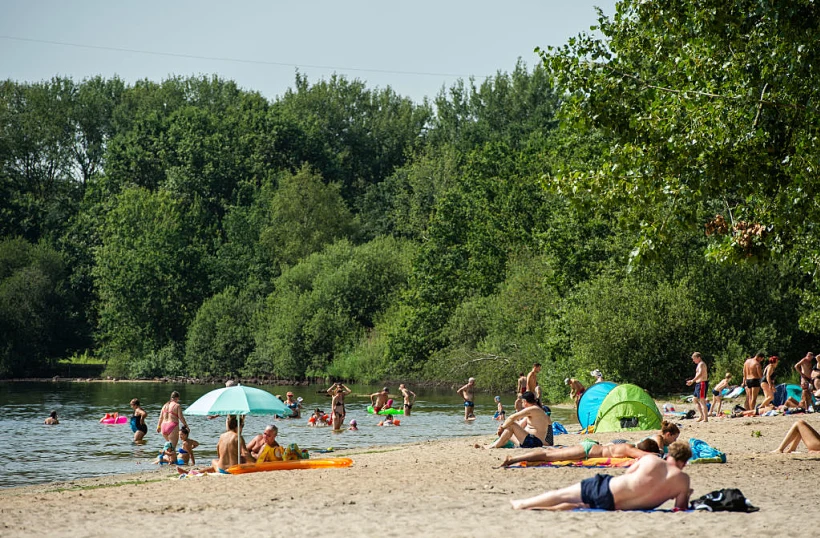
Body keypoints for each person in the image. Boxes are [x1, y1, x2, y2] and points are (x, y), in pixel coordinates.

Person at [510, 441, 692, 511]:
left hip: (607, 488)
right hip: (611, 502)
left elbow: (628, 473)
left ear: (670, 456)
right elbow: (680, 508)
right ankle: (514, 459)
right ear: (683, 462)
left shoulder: (651, 462)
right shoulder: (683, 482)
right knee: (549, 455)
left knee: (563, 493)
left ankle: (523, 504)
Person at [498, 438, 661, 468]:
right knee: (547, 456)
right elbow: (644, 456)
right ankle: (513, 459)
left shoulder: (629, 446)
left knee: (550, 453)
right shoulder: (629, 448)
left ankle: (513, 459)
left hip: (589, 448)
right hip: (588, 450)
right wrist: (660, 455)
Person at [482, 391, 551, 449]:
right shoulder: (536, 410)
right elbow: (519, 424)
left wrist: (502, 428)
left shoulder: (533, 409)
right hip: (533, 442)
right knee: (507, 431)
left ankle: (493, 446)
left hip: (533, 442)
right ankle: (496, 444)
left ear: (524, 401)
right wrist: (503, 427)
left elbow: (512, 418)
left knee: (511, 424)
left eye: (522, 402)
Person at [685, 352, 709, 422]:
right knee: (694, 399)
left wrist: (692, 381)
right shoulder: (699, 364)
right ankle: (701, 415)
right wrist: (693, 381)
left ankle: (705, 418)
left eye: (694, 359)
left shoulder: (701, 364)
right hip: (698, 384)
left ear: (698, 358)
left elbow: (700, 374)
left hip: (702, 383)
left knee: (702, 401)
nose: (693, 360)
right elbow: (697, 375)